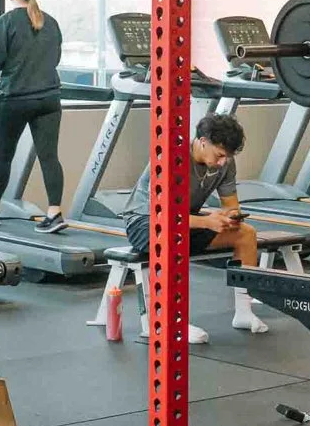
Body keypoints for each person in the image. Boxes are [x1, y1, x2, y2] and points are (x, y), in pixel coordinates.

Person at [110, 111, 266, 342]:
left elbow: (231, 204)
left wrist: (230, 216)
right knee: (174, 235)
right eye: (220, 154)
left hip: (186, 221)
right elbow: (162, 213)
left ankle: (243, 312)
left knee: (245, 234)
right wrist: (207, 221)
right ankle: (170, 322)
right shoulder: (171, 157)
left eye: (227, 157)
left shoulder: (225, 163)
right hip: (144, 222)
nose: (223, 161)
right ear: (203, 142)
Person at [0, 0, 68, 232]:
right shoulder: (50, 22)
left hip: (15, 99)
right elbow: (56, 58)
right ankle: (55, 212)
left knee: (3, 157)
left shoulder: (6, 22)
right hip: (49, 98)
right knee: (49, 157)